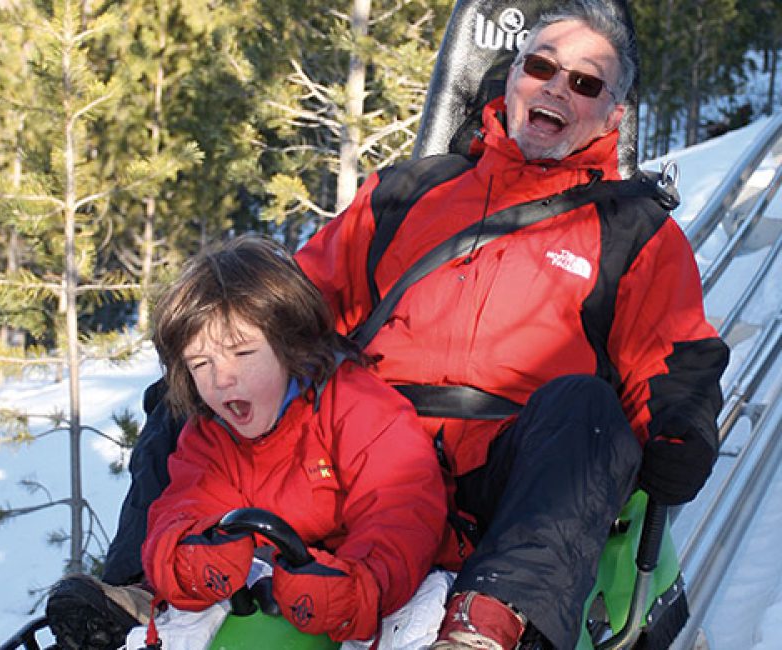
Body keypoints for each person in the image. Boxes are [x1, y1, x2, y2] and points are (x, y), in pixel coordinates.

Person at [46, 1, 730, 648]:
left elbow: (676, 356)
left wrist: (680, 428)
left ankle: (484, 623)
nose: (556, 89)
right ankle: (136, 587)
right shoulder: (409, 193)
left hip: (506, 469)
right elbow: (293, 304)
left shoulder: (631, 230)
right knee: (206, 377)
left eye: (584, 82)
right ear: (514, 76)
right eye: (542, 67)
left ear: (612, 112)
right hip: (358, 441)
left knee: (587, 407)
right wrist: (225, 345)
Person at [47, 236, 448, 647]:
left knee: (412, 621)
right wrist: (188, 557)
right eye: (201, 364)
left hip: (363, 592)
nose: (222, 378)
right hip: (261, 597)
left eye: (242, 353)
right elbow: (180, 509)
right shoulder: (210, 436)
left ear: (289, 345)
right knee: (185, 624)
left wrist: (355, 585)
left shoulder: (356, 406)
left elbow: (402, 511)